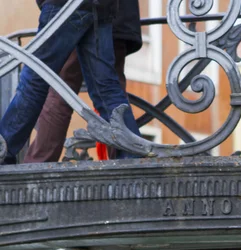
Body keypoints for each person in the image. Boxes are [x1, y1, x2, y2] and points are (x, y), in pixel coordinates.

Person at [0, 0, 142, 165]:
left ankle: (5, 148)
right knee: (106, 88)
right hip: (102, 7)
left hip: (65, 5)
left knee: (35, 79)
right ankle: (133, 152)